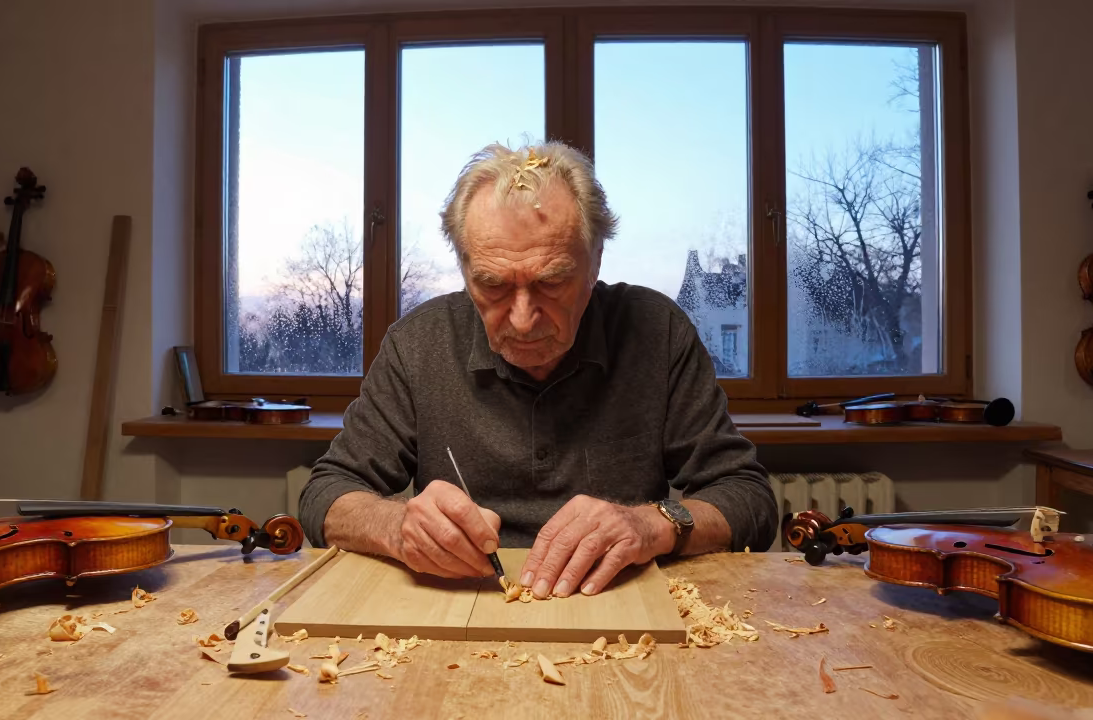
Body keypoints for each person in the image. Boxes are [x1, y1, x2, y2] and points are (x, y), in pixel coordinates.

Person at [298, 140, 776, 599]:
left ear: (595, 262)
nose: (523, 320)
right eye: (493, 285)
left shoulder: (657, 331)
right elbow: (326, 495)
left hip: (616, 608)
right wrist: (398, 527)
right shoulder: (418, 343)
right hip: (465, 605)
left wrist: (653, 524)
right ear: (465, 269)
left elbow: (748, 497)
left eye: (551, 282)